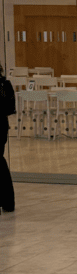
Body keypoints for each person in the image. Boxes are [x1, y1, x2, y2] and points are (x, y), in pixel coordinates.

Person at [0, 66, 15, 213]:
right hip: (1, 126)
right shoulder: (5, 84)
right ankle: (8, 202)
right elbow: (10, 109)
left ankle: (7, 201)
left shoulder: (4, 85)